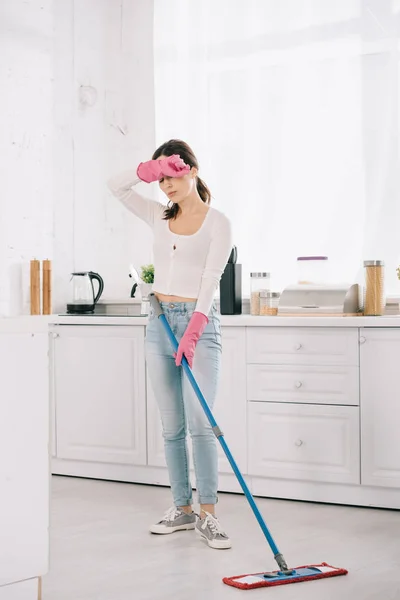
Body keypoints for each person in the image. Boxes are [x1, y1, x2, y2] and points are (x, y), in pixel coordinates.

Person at [107, 139, 233, 550]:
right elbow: (116, 186)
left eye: (171, 175)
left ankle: (208, 515)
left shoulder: (218, 222)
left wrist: (195, 328)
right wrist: (148, 167)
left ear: (191, 170)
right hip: (158, 324)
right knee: (172, 426)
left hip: (199, 325)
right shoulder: (158, 216)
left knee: (201, 423)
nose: (166, 186)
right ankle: (182, 508)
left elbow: (211, 280)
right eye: (160, 179)